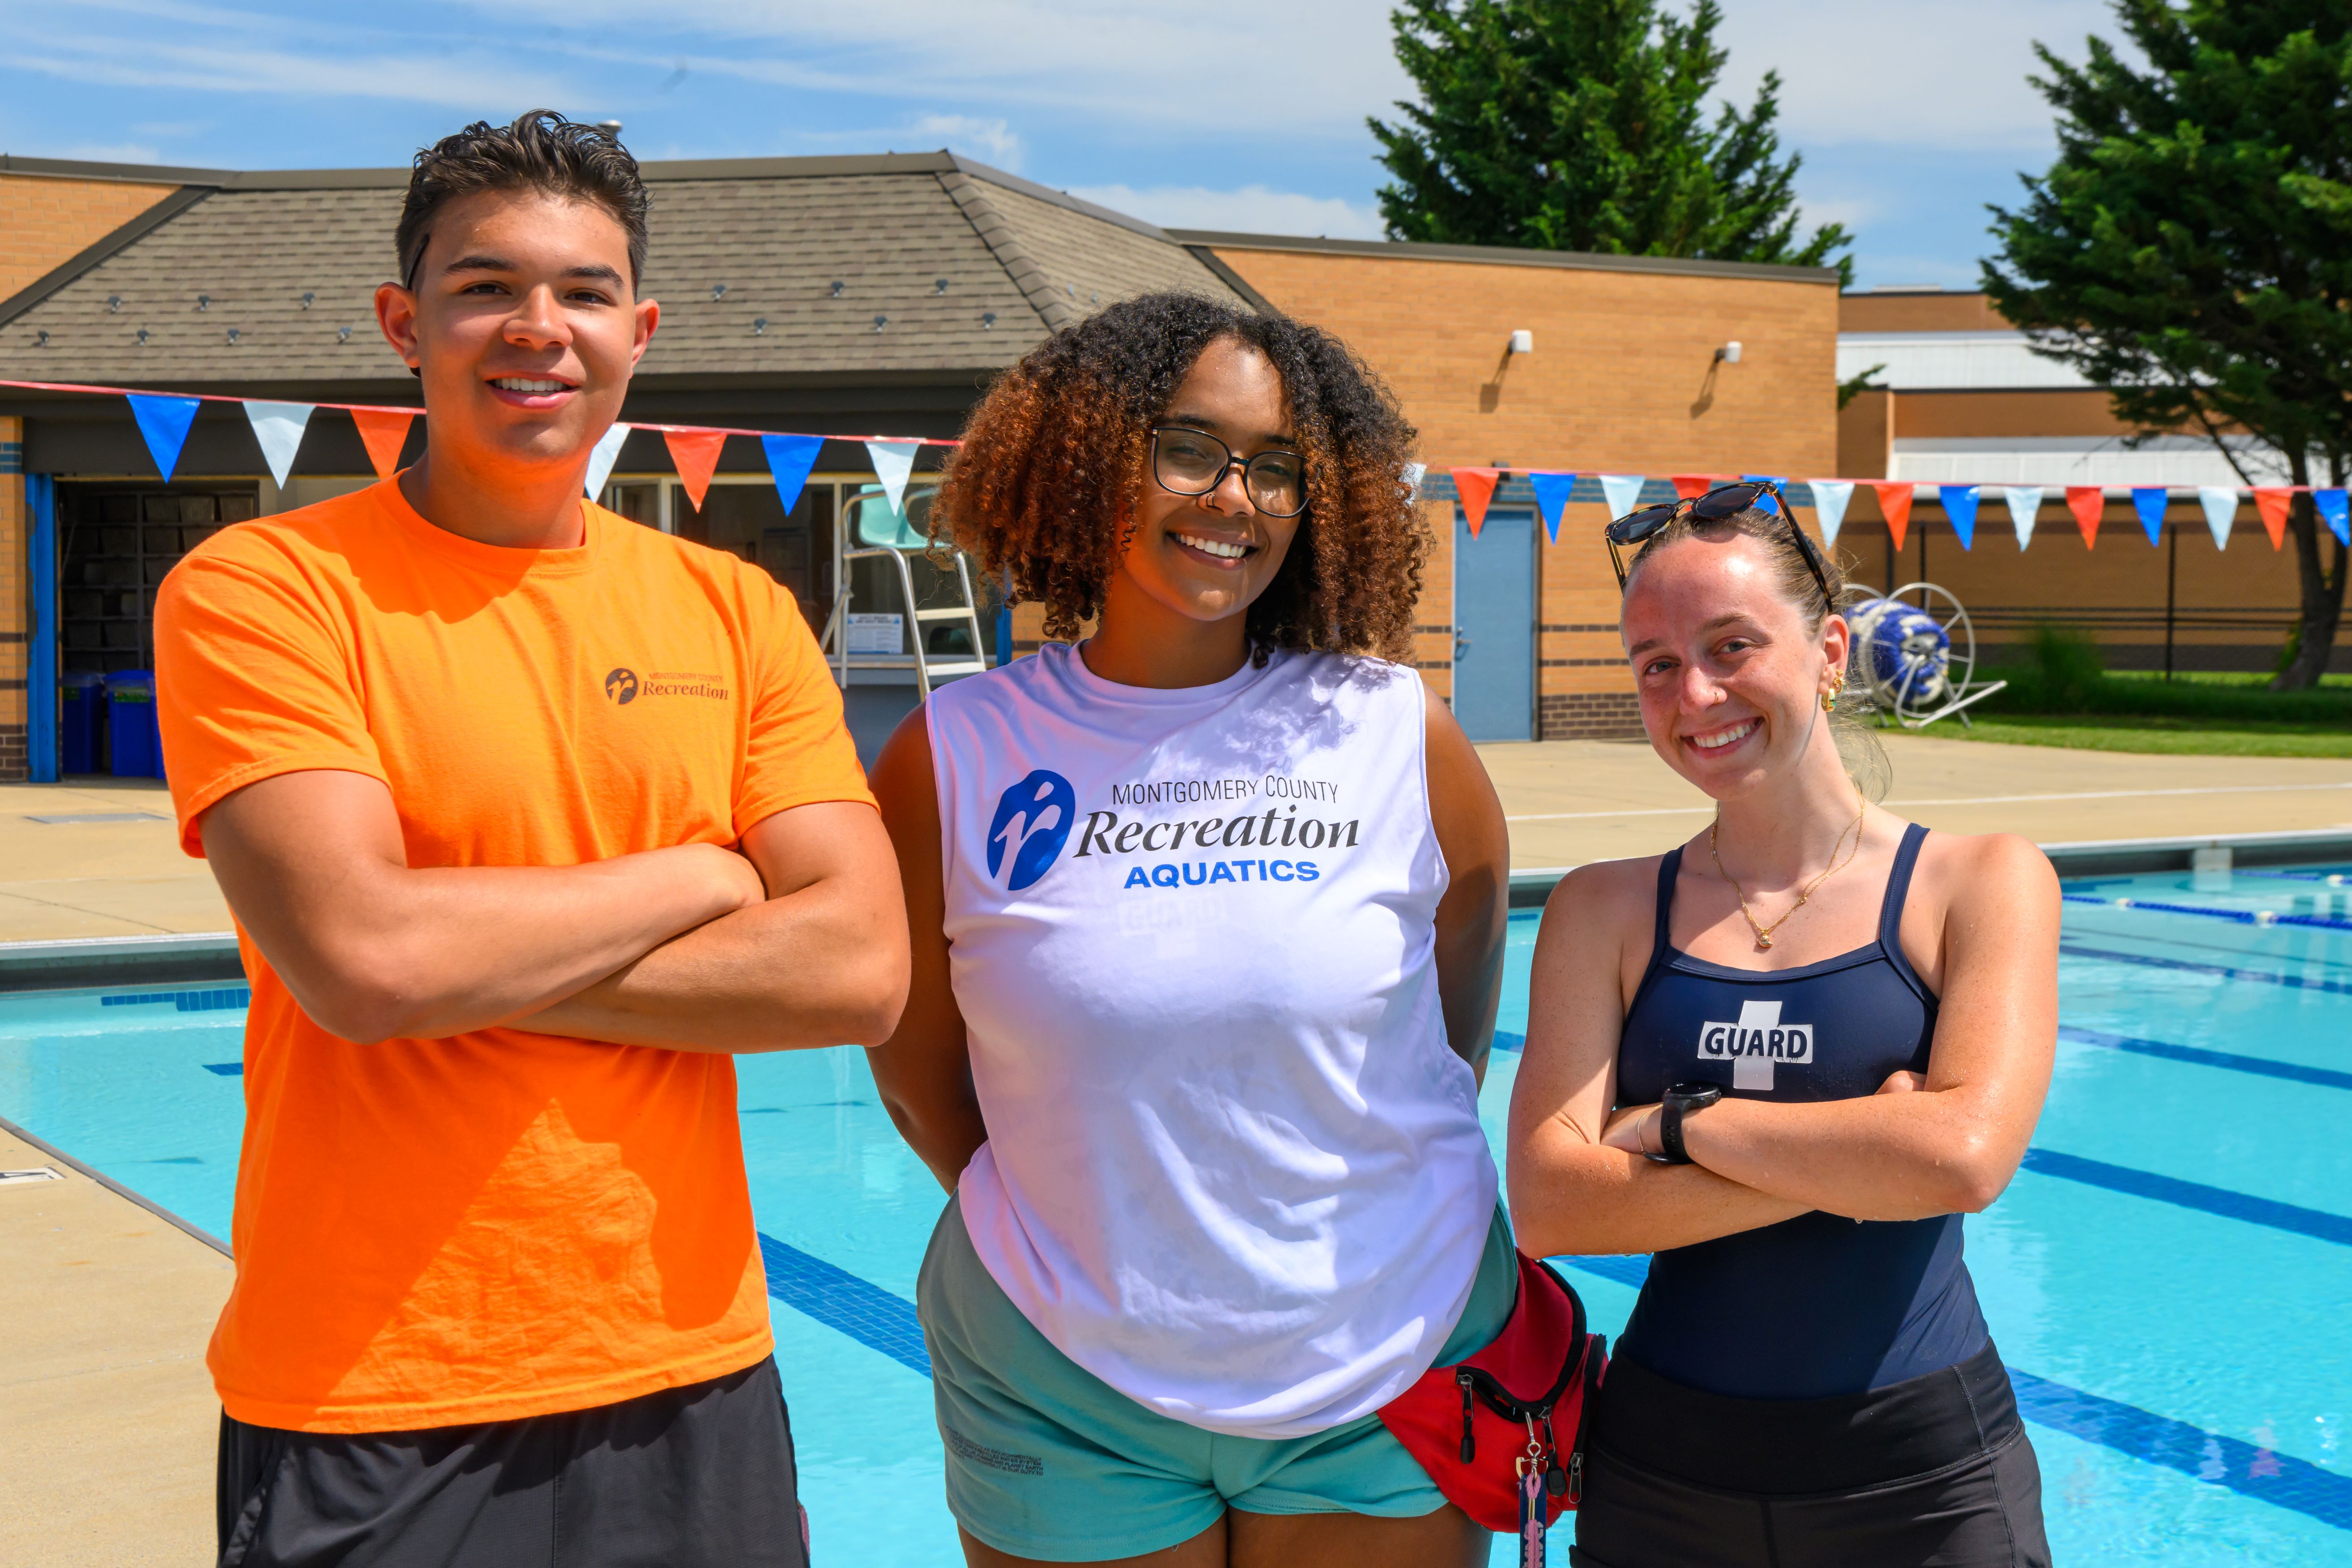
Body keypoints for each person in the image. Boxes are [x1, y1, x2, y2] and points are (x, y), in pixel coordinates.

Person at [154, 111, 907, 1568]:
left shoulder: (735, 610)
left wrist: (456, 959)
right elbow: (365, 962)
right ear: (405, 324)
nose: (537, 328)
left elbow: (859, 969)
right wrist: (704, 875)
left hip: (692, 1365)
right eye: (485, 287)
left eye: (582, 291)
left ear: (639, 331)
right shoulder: (268, 592)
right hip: (375, 1384)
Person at [865, 292, 1516, 1567]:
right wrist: (1096, 1234)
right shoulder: (953, 754)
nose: (1236, 497)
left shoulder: (1398, 735)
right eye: (1188, 448)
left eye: (1276, 467)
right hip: (1065, 1376)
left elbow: (1448, 1043)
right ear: (1084, 459)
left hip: (1386, 1357)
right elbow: (920, 1074)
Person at [1506, 484, 2058, 1567]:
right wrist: (1867, 1152)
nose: (1695, 693)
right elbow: (1550, 1203)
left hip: (1922, 1474)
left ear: (1831, 651)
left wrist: (1680, 1127)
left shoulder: (1980, 881)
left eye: (1732, 645)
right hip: (1662, 1471)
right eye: (1656, 663)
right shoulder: (1601, 908)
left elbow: (1959, 1160)